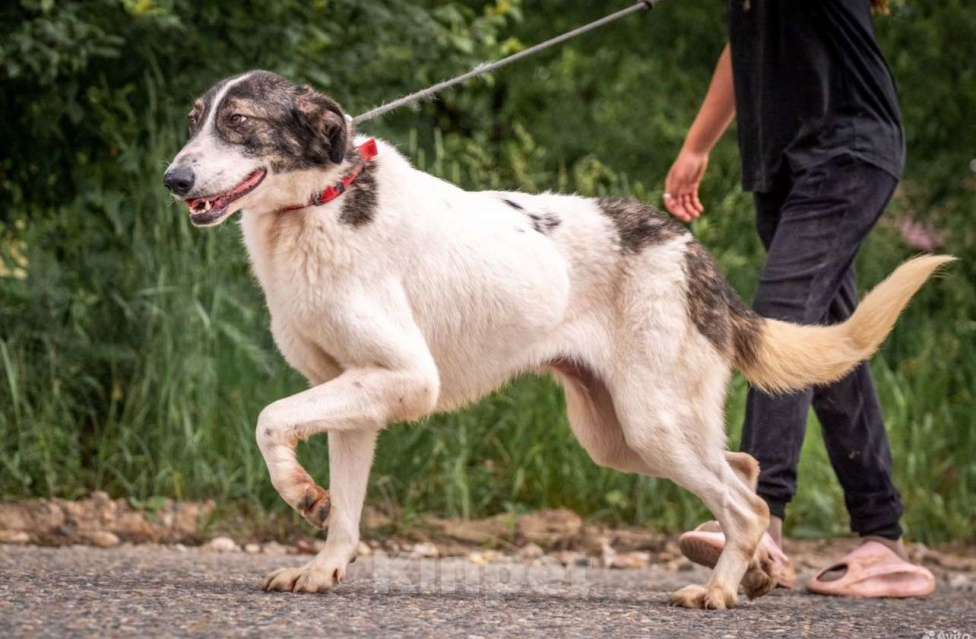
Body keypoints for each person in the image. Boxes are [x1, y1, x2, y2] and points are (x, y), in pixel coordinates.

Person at [663, 0, 935, 597]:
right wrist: (697, 146)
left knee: (777, 320)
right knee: (828, 343)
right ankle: (882, 540)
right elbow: (741, 54)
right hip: (785, 169)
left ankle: (759, 515)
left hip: (849, 152)